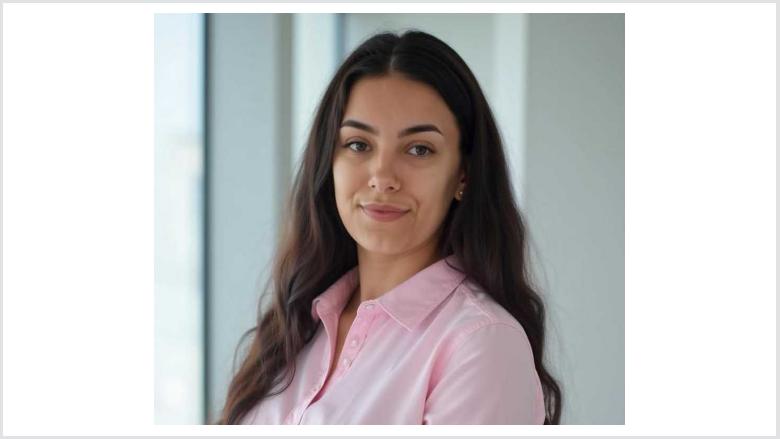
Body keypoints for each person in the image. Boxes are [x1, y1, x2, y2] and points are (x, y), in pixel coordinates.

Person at [218, 29, 562, 425]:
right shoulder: (299, 322)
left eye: (419, 149)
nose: (382, 177)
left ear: (463, 174)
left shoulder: (482, 344)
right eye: (358, 144)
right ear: (329, 161)